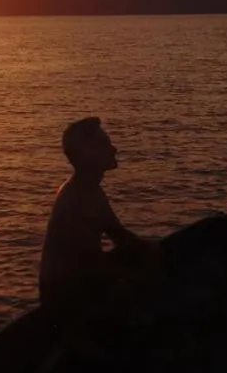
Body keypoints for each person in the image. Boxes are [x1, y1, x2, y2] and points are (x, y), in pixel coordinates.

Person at [38, 117, 155, 327]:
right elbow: (86, 264)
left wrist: (151, 252)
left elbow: (118, 235)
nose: (114, 149)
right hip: (65, 295)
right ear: (88, 155)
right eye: (105, 145)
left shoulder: (90, 190)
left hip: (77, 282)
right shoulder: (77, 198)